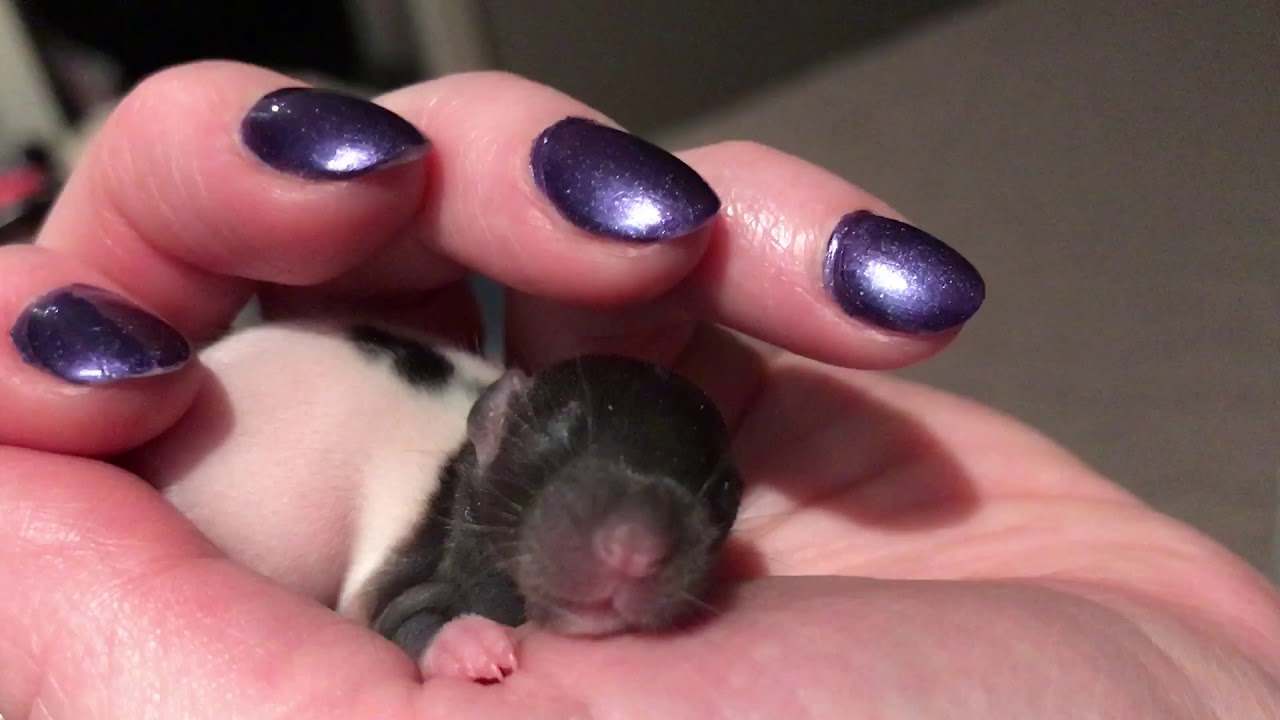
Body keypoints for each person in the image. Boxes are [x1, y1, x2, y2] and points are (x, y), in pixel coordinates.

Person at [1, 61, 1276, 719]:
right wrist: (432, 629)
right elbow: (407, 592)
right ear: (501, 437)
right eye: (573, 480)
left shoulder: (485, 461)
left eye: (694, 510)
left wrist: (1204, 681)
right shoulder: (432, 476)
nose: (629, 544)